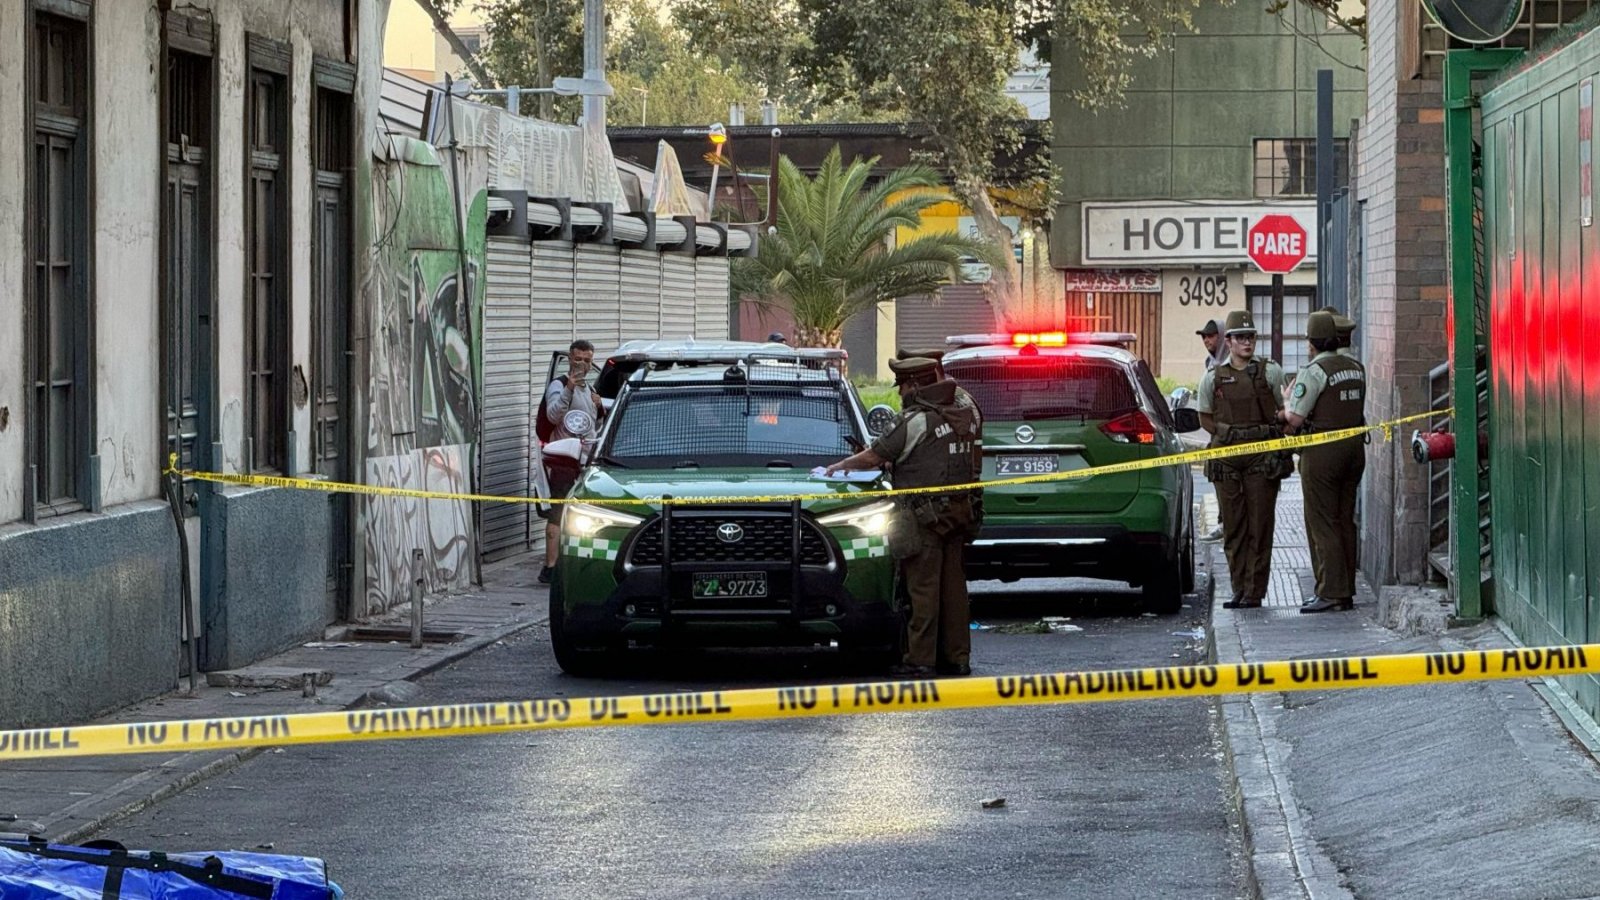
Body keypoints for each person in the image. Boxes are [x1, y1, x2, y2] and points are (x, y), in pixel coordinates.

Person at [826, 357, 982, 677]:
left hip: (924, 518)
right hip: (960, 513)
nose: (900, 394)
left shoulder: (914, 420)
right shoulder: (967, 413)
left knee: (922, 590)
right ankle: (957, 658)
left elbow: (874, 456)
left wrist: (840, 466)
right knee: (954, 590)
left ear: (915, 385)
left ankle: (920, 660)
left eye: (903, 387)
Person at [1197, 310, 1288, 610]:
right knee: (1234, 527)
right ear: (1229, 341)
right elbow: (1205, 418)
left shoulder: (1270, 372)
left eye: (1251, 337)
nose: (1247, 342)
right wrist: (1226, 434)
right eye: (1240, 338)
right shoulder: (1213, 377)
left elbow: (1285, 412)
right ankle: (1239, 588)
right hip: (1227, 459)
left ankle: (1254, 592)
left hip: (1261, 459)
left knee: (1260, 526)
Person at [1279, 311, 1367, 613]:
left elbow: (1295, 418)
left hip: (1322, 453)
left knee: (1322, 522)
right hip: (1354, 449)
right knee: (1344, 519)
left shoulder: (1314, 371)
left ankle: (1330, 591)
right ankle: (1346, 590)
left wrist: (1286, 401)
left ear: (1311, 342)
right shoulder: (1356, 367)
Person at [538, 339, 602, 584]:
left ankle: (578, 564)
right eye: (578, 359)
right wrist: (569, 389)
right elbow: (553, 415)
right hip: (564, 460)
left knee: (584, 516)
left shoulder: (590, 389)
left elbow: (592, 427)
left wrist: (600, 407)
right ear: (569, 359)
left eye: (587, 360)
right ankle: (550, 567)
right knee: (558, 512)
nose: (582, 365)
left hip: (586, 462)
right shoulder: (559, 385)